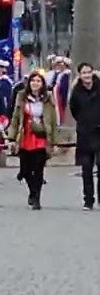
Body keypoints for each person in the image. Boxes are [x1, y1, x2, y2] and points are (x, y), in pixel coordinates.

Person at [7, 71, 57, 210]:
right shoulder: (21, 97)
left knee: (38, 168)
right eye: (33, 81)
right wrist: (11, 137)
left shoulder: (48, 98)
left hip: (41, 136)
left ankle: (37, 197)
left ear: (42, 84)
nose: (35, 83)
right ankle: (32, 191)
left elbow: (53, 120)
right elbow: (16, 118)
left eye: (38, 81)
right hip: (25, 135)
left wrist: (53, 140)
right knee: (26, 168)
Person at [69, 63, 100, 209]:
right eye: (84, 73)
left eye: (89, 72)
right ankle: (88, 200)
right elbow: (74, 110)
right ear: (80, 75)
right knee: (86, 169)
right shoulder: (76, 92)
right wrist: (83, 122)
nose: (87, 75)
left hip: (99, 132)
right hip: (85, 134)